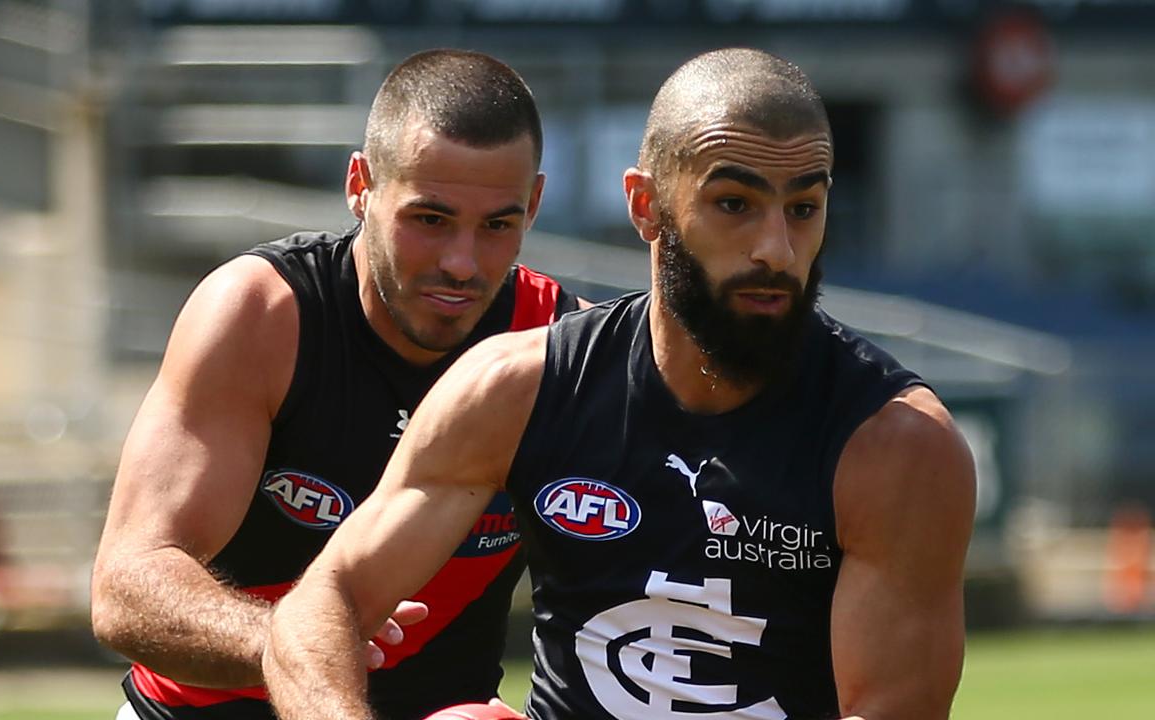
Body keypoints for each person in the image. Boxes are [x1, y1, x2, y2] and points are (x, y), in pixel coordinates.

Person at [262, 48, 976, 720]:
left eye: (803, 208)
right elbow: (325, 603)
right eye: (734, 203)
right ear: (647, 207)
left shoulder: (897, 447)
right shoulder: (515, 388)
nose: (775, 249)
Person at [90, 49, 585, 720]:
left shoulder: (559, 352)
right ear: (361, 185)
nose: (461, 264)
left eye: (498, 224)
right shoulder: (262, 316)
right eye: (429, 219)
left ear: (533, 205)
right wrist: (305, 641)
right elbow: (127, 588)